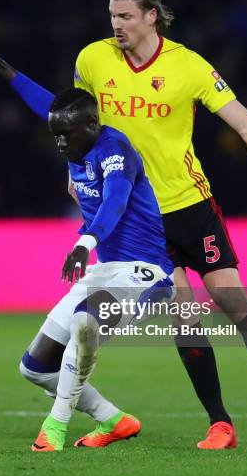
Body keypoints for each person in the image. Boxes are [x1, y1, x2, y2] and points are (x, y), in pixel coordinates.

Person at [0, 0, 247, 450]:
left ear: (151, 16)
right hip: (140, 220)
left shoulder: (187, 66)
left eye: (125, 16)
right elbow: (77, 116)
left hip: (190, 203)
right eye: (111, 16)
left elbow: (245, 121)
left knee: (233, 303)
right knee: (184, 319)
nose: (116, 25)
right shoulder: (94, 58)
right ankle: (219, 424)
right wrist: (77, 166)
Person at [17, 87, 173, 451]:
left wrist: (85, 241)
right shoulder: (75, 140)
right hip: (106, 271)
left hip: (145, 272)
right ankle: (115, 421)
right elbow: (46, 106)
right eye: (54, 134)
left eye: (65, 134)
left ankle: (54, 427)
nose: (59, 143)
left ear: (91, 123)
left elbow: (115, 201)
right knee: (35, 368)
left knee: (84, 324)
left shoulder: (115, 151)